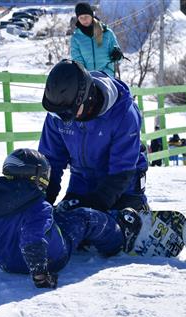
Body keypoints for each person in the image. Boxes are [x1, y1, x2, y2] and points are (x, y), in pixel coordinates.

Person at [0, 149, 142, 289]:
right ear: (38, 177)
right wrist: (41, 275)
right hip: (52, 260)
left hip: (7, 264)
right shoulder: (38, 207)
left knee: (53, 219)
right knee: (86, 218)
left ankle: (61, 218)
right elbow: (32, 239)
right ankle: (120, 237)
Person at [39, 59, 148, 212]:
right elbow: (51, 162)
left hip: (123, 186)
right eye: (57, 113)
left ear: (87, 98)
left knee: (106, 230)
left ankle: (138, 214)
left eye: (69, 112)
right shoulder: (58, 115)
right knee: (67, 226)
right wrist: (43, 203)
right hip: (81, 183)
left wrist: (96, 205)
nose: (64, 118)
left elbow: (122, 168)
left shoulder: (124, 114)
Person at [71, 2, 123, 77]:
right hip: (88, 78)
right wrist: (85, 75)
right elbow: (77, 60)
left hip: (107, 76)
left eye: (86, 16)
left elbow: (119, 57)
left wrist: (117, 55)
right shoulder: (76, 38)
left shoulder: (107, 33)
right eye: (81, 18)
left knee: (123, 88)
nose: (84, 20)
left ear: (92, 16)